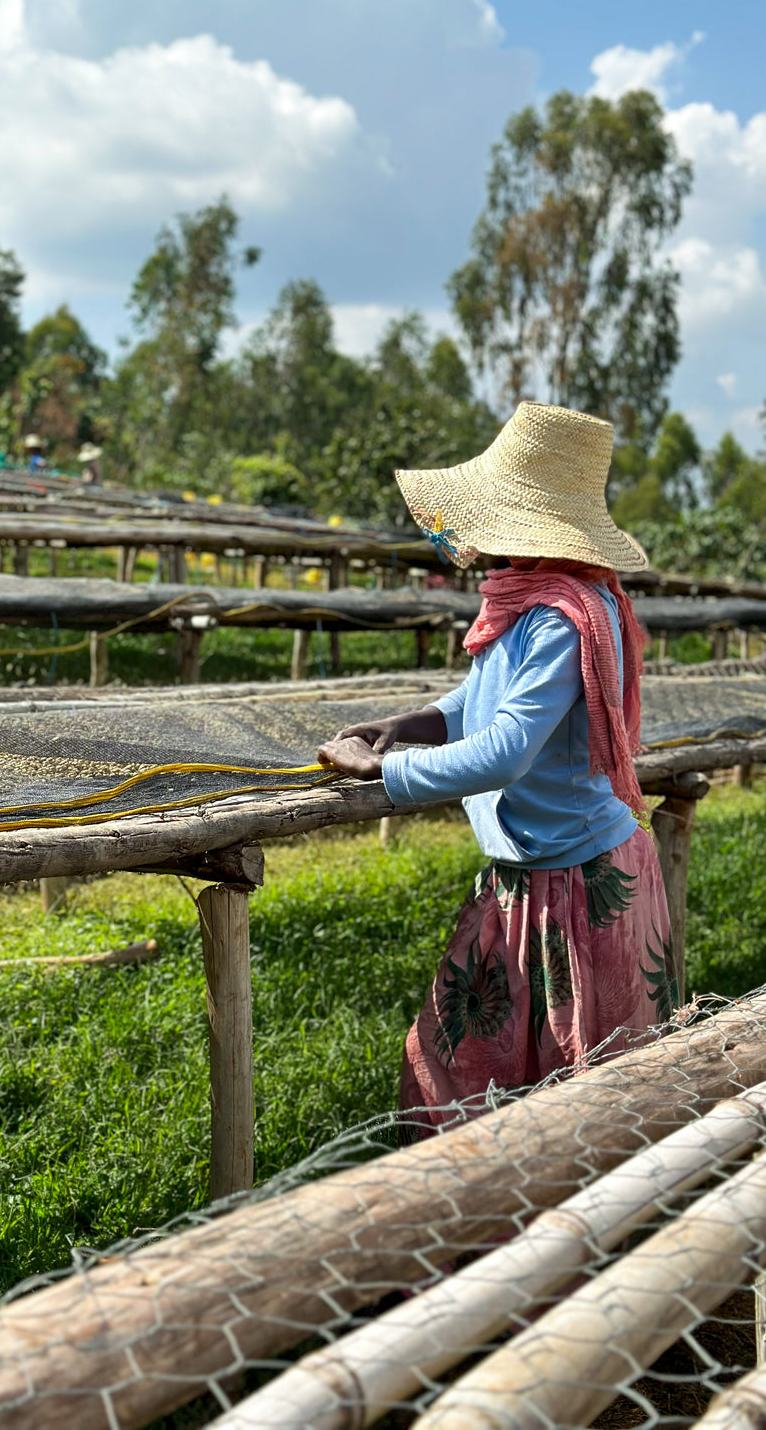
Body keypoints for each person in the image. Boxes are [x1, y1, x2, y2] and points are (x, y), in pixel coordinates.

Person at [318, 401, 673, 1128]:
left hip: (574, 887)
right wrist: (409, 724)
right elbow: (483, 695)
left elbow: (509, 747)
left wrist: (381, 774)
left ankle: (540, 1230)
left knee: (580, 1098)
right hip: (529, 872)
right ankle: (487, 1223)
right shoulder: (535, 600)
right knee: (467, 1062)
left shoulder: (560, 613)